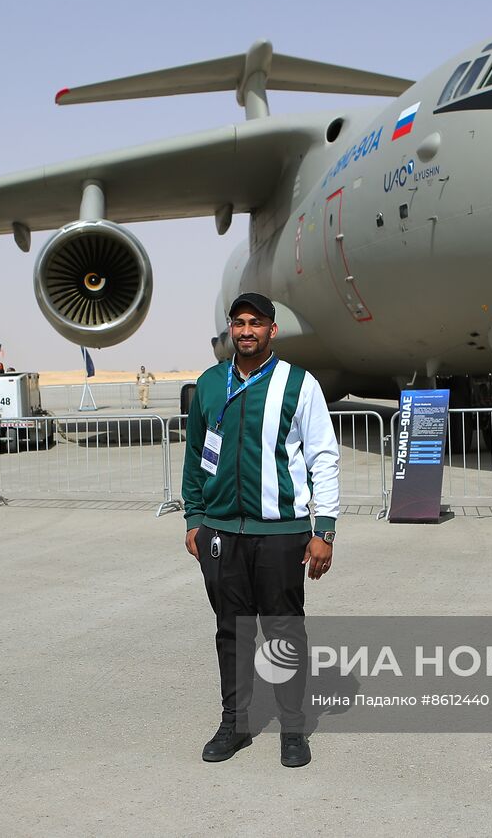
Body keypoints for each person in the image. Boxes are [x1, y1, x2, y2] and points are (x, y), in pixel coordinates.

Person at [182, 292, 339, 769]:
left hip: (282, 532)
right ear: (230, 329)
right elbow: (194, 457)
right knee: (231, 631)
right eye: (238, 322)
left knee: (283, 630)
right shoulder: (210, 384)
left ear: (273, 330)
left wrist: (324, 530)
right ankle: (235, 723)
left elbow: (323, 457)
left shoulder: (299, 384)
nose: (246, 330)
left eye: (256, 323)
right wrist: (194, 517)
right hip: (221, 533)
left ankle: (293, 729)